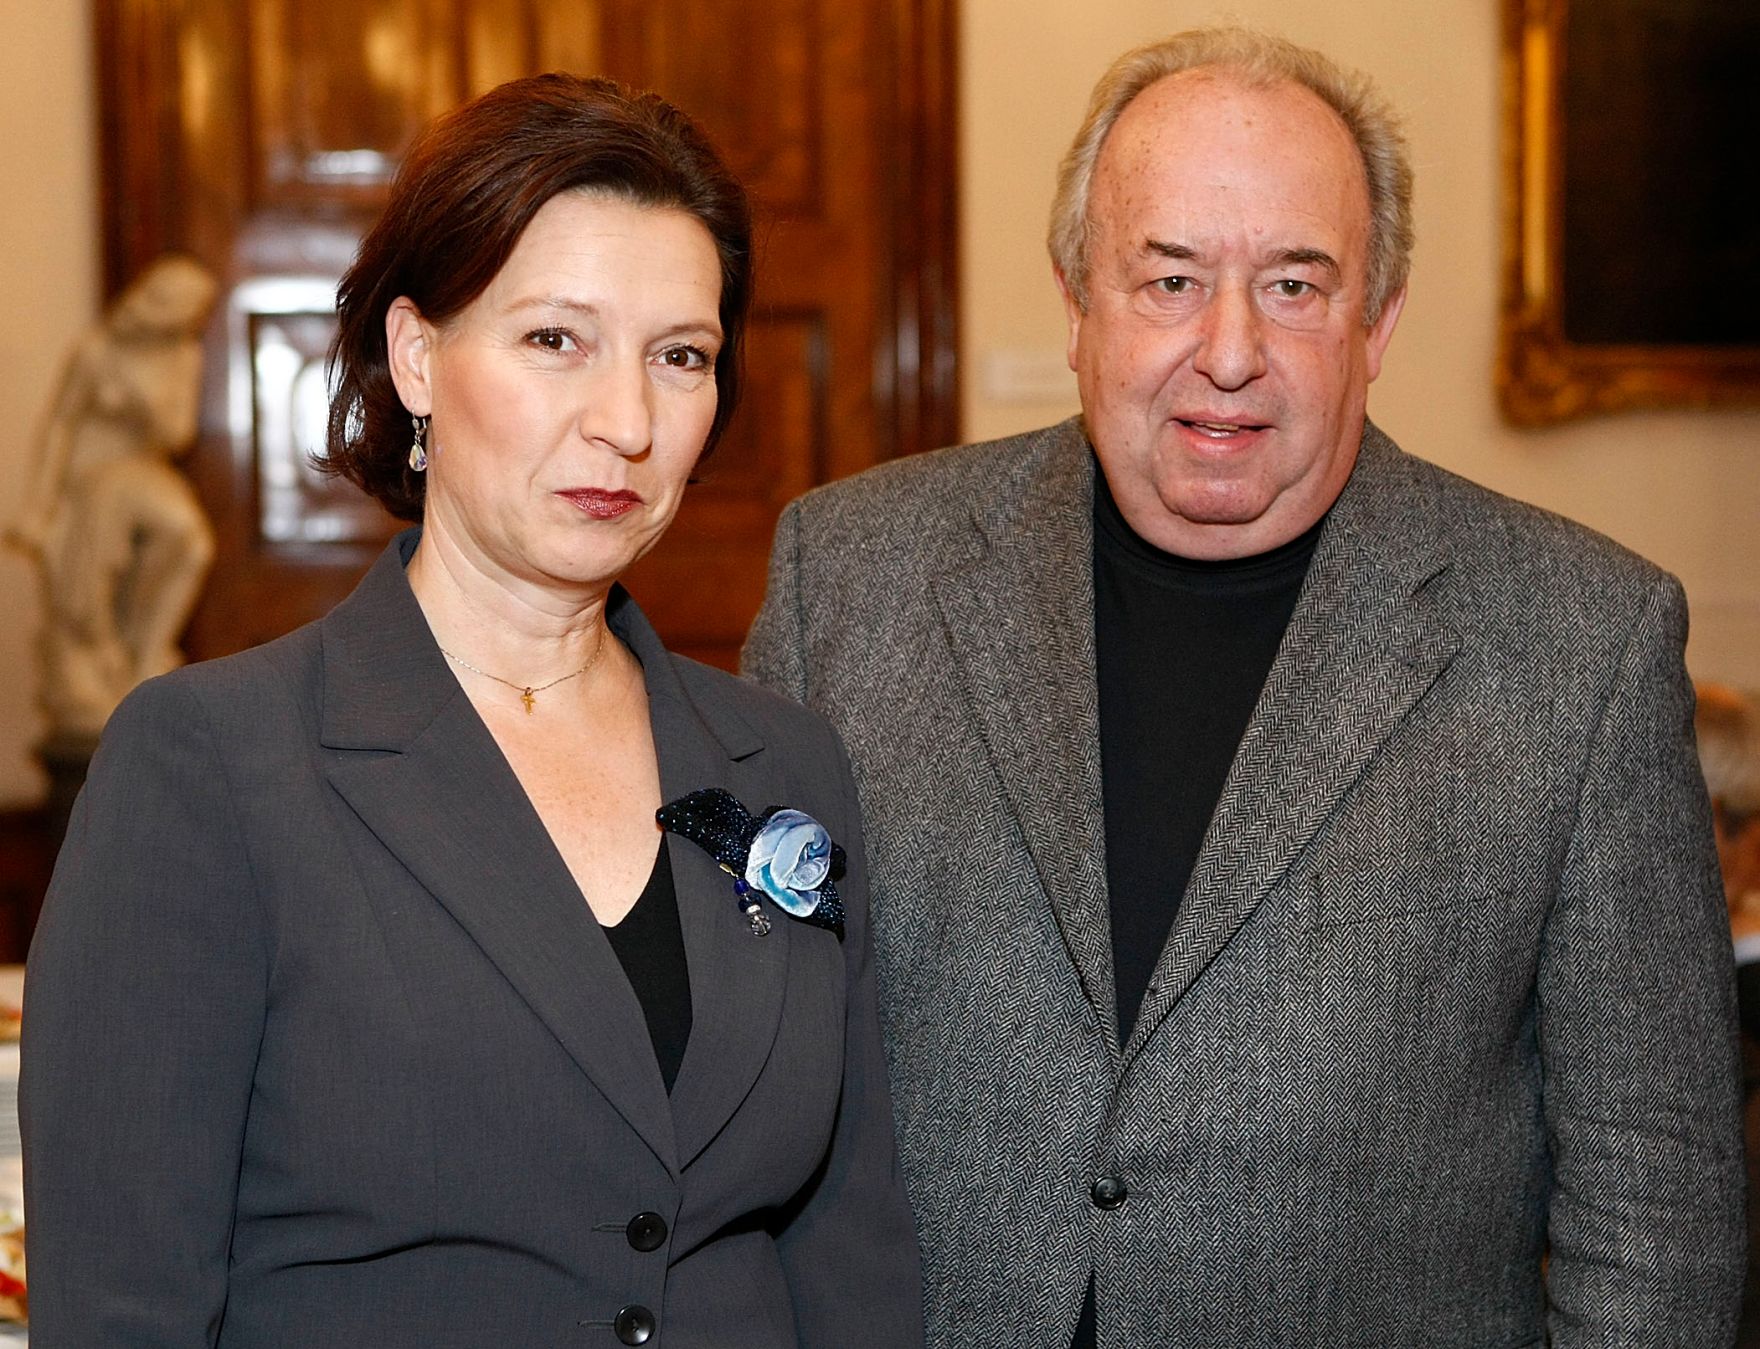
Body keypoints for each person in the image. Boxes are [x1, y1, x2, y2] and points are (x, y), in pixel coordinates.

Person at [743, 26, 1744, 1347]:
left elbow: (1655, 1220)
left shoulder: (1581, 641)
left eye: (1293, 284)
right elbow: (740, 1085)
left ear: (1377, 319)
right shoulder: (851, 578)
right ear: (1077, 296)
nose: (1228, 350)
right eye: (1167, 278)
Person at [22, 74, 922, 1348]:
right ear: (418, 355)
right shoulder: (212, 763)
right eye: (556, 339)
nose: (625, 422)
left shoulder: (784, 762)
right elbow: (124, 1303)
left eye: (682, 357)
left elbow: (849, 1247)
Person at [6, 254, 218, 740]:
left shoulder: (184, 355)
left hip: (141, 472)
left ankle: (147, 656)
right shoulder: (97, 351)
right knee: (92, 565)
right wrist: (39, 506)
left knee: (189, 538)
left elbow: (178, 433)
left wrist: (142, 400)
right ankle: (101, 655)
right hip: (91, 476)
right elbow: (59, 427)